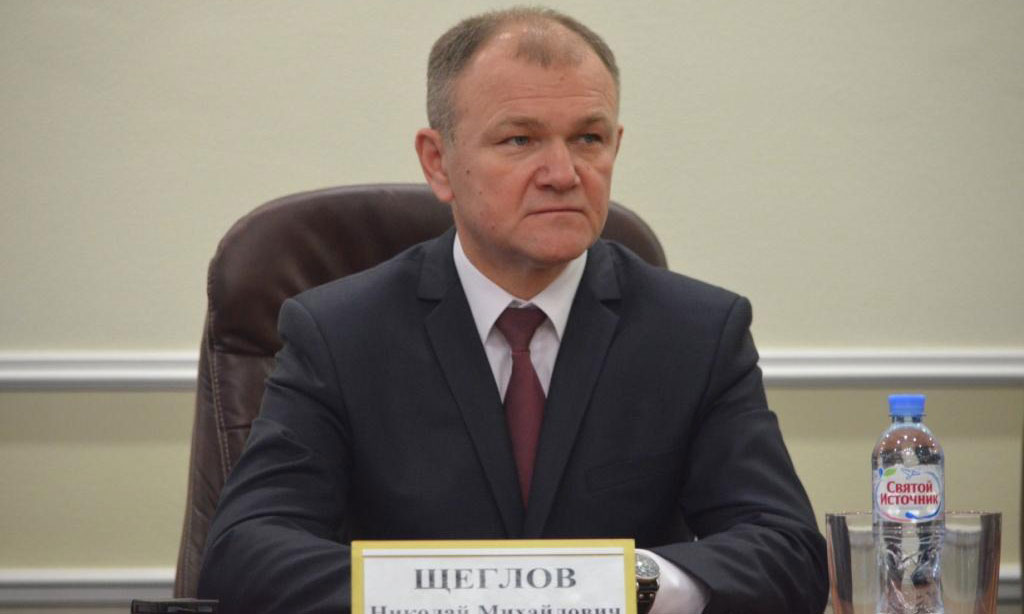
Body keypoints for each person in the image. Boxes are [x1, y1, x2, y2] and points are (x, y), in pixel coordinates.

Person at [197, 7, 828, 613]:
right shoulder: (339, 333)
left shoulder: (696, 332)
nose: (563, 172)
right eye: (520, 139)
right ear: (438, 162)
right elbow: (245, 555)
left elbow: (785, 552)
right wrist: (456, 594)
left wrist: (623, 584)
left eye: (588, 138)